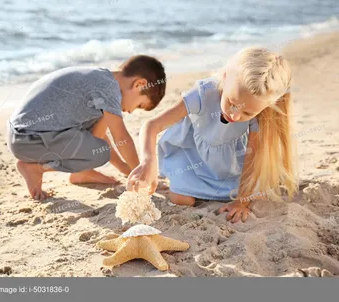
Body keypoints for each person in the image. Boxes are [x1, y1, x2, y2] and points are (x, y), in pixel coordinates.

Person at [126, 47, 298, 223]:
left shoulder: (257, 107)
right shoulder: (203, 94)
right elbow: (151, 126)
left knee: (255, 193)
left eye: (247, 114)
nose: (235, 115)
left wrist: (241, 201)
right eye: (231, 102)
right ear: (225, 77)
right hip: (193, 159)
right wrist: (148, 161)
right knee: (180, 200)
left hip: (232, 165)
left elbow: (251, 157)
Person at [7, 55, 166, 200]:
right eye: (139, 105)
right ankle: (35, 168)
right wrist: (140, 173)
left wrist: (126, 169)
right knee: (100, 152)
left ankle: (82, 172)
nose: (131, 111)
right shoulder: (109, 89)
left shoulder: (100, 80)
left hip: (21, 135)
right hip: (28, 139)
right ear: (139, 84)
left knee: (98, 129)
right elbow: (121, 137)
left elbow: (98, 137)